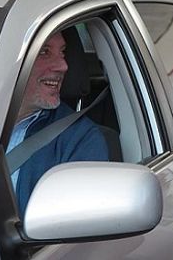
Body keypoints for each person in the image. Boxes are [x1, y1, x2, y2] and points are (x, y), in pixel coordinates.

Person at [7, 31, 108, 216]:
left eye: (62, 52)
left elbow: (77, 230)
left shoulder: (80, 140)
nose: (63, 66)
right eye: (44, 52)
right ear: (7, 61)